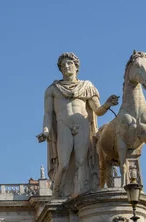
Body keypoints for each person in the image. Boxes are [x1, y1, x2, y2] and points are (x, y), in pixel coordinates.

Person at [37, 52, 119, 197]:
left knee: (82, 161)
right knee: (63, 164)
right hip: (63, 126)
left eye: (70, 64)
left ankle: (80, 193)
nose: (66, 67)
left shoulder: (87, 86)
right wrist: (46, 130)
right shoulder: (52, 89)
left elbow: (97, 110)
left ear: (76, 67)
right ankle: (56, 193)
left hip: (82, 125)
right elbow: (48, 113)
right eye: (63, 65)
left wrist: (107, 104)